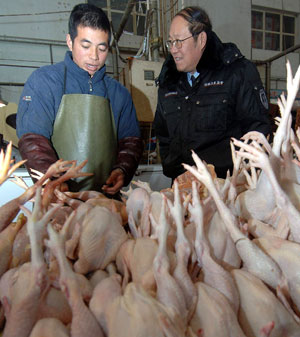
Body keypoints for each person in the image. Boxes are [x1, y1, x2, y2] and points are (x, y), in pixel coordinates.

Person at [17, 3, 143, 195]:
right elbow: (33, 140)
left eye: (102, 48)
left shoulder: (119, 93)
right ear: (70, 41)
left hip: (105, 202)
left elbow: (130, 142)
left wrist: (122, 169)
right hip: (58, 200)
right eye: (86, 46)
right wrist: (52, 180)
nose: (94, 56)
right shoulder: (44, 82)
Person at [154, 6, 271, 180]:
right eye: (170, 42)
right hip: (183, 188)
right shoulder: (169, 82)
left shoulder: (237, 73)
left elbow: (258, 132)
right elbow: (163, 135)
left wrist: (237, 180)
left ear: (201, 39)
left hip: (227, 188)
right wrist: (174, 168)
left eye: (179, 41)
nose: (173, 49)